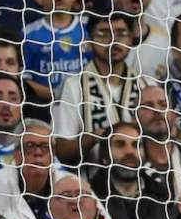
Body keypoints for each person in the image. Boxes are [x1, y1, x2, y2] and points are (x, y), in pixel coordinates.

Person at [52, 12, 149, 166]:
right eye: (104, 34)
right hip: (92, 180)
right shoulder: (73, 85)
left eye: (121, 34)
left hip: (139, 177)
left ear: (131, 39)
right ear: (90, 41)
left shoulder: (145, 85)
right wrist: (95, 137)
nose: (113, 41)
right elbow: (62, 151)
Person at [22, 0, 87, 104]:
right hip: (46, 108)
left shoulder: (88, 27)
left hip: (88, 103)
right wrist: (59, 95)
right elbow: (25, 80)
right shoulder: (29, 34)